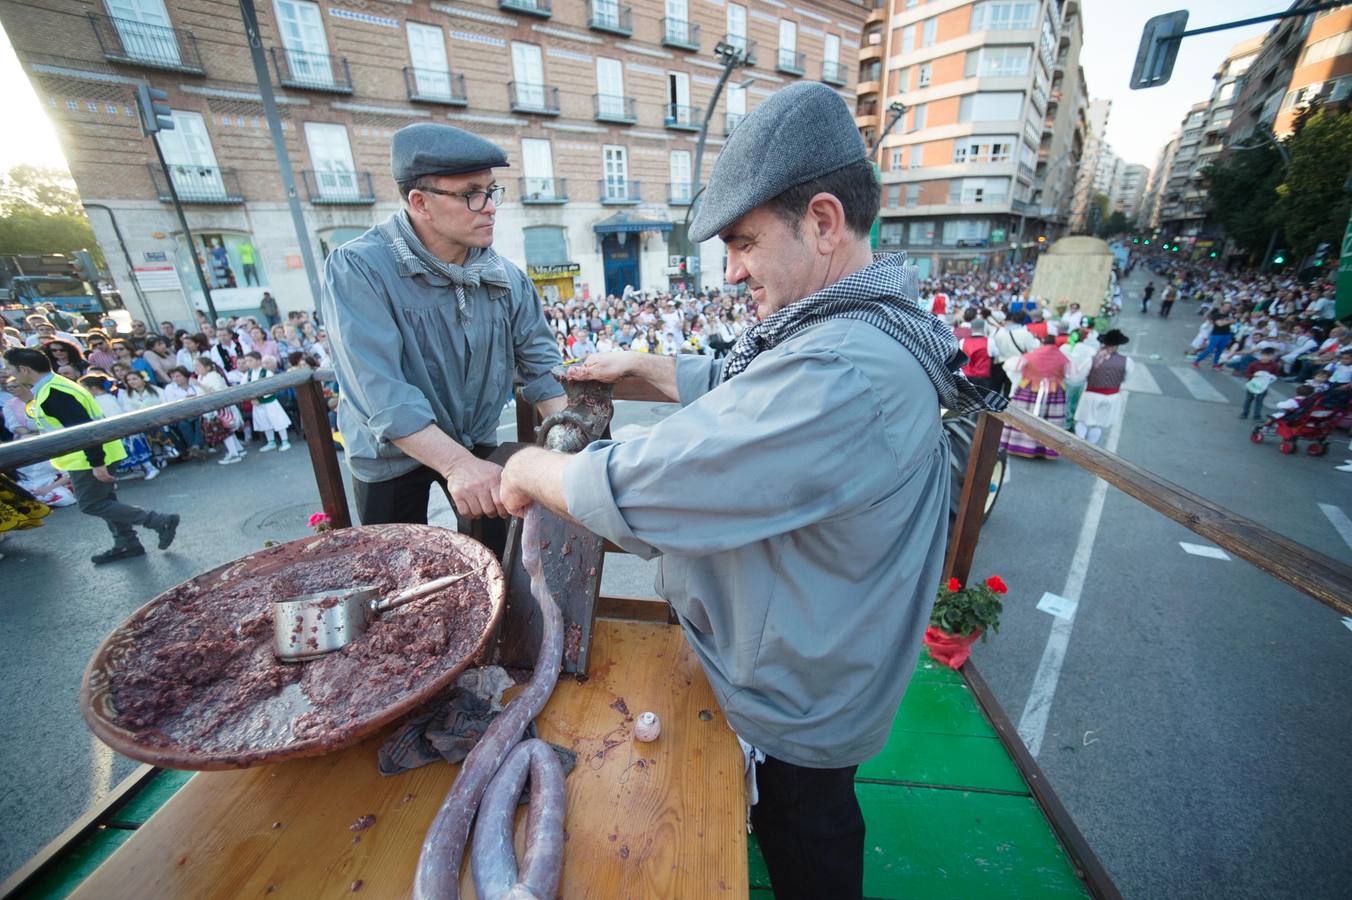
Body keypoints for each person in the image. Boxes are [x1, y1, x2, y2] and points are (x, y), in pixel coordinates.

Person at [496, 82, 1006, 900]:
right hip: (814, 656)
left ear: (825, 223)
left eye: (742, 241)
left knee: (808, 837)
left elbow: (657, 490)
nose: (731, 270)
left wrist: (528, 471)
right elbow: (753, 383)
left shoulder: (841, 370)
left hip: (802, 696)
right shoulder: (855, 321)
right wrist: (649, 371)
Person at [321, 122, 565, 553]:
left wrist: (574, 442)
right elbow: (382, 393)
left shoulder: (506, 276)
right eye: (472, 194)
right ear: (420, 202)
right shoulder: (358, 268)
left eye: (492, 191)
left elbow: (542, 367)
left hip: (475, 439)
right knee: (395, 571)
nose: (489, 207)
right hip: (390, 453)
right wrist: (456, 465)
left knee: (494, 561)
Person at [2, 348, 179, 564]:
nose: (9, 374)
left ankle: (158, 521)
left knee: (91, 504)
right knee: (104, 501)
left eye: (10, 369)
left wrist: (97, 463)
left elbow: (84, 430)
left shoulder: (54, 392)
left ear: (24, 369)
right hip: (93, 454)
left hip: (89, 458)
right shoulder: (53, 386)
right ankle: (127, 543)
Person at [77, 373, 159, 480]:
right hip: (116, 430)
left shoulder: (105, 400)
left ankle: (150, 468)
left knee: (135, 450)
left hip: (122, 429)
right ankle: (137, 470)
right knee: (128, 453)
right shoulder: (99, 399)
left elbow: (114, 415)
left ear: (93, 388)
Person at [1000, 335, 1070, 458]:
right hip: (1053, 392)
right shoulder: (1062, 358)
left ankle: (1019, 445)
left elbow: (1012, 366)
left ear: (1043, 342)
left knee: (1023, 416)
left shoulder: (1031, 355)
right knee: (1050, 421)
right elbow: (1071, 375)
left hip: (1030, 388)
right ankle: (1043, 449)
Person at [1074, 330, 1132, 445]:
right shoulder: (1127, 361)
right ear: (1117, 346)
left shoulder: (1093, 359)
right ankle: (1091, 447)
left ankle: (1079, 444)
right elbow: (1126, 379)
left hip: (1091, 394)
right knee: (1099, 424)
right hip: (1112, 396)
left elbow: (1079, 377)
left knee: (1082, 421)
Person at [243, 352, 291, 452]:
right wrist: (252, 398)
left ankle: (285, 440)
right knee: (264, 422)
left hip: (270, 402)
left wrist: (260, 399)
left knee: (278, 421)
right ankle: (271, 441)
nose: (248, 363)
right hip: (256, 403)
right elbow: (243, 387)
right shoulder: (247, 374)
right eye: (247, 361)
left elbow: (270, 388)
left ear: (258, 360)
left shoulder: (267, 373)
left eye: (250, 360)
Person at [1239, 347, 1281, 420]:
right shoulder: (1254, 364)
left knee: (1260, 401)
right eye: (1265, 355)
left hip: (1263, 386)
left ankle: (1257, 415)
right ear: (1261, 355)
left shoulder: (1274, 365)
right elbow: (1247, 373)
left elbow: (1276, 374)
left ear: (1272, 356)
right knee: (1248, 400)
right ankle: (1244, 413)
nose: (1266, 358)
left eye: (1269, 356)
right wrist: (1253, 376)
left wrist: (1271, 378)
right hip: (1252, 385)